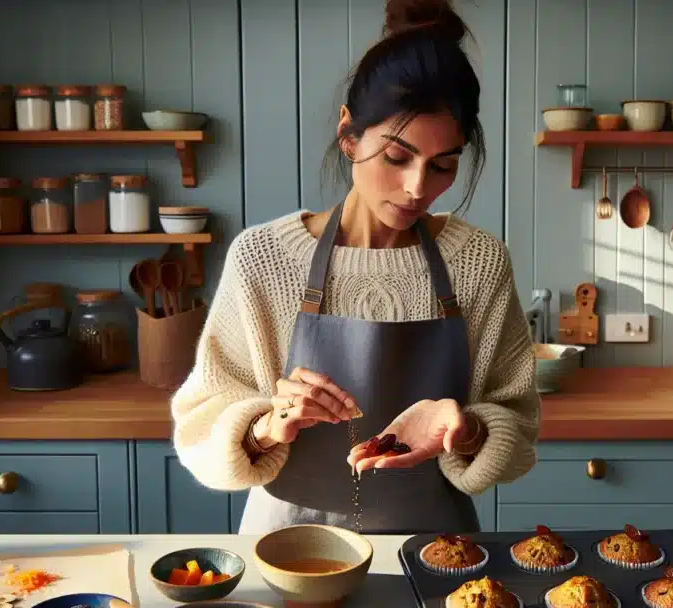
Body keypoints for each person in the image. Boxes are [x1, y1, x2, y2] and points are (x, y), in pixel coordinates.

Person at [170, 0, 539, 535]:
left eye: (443, 165)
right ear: (348, 135)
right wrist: (268, 424)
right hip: (287, 552)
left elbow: (519, 428)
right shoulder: (263, 259)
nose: (417, 188)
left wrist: (466, 430)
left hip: (437, 553)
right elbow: (198, 429)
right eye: (397, 157)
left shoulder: (478, 262)